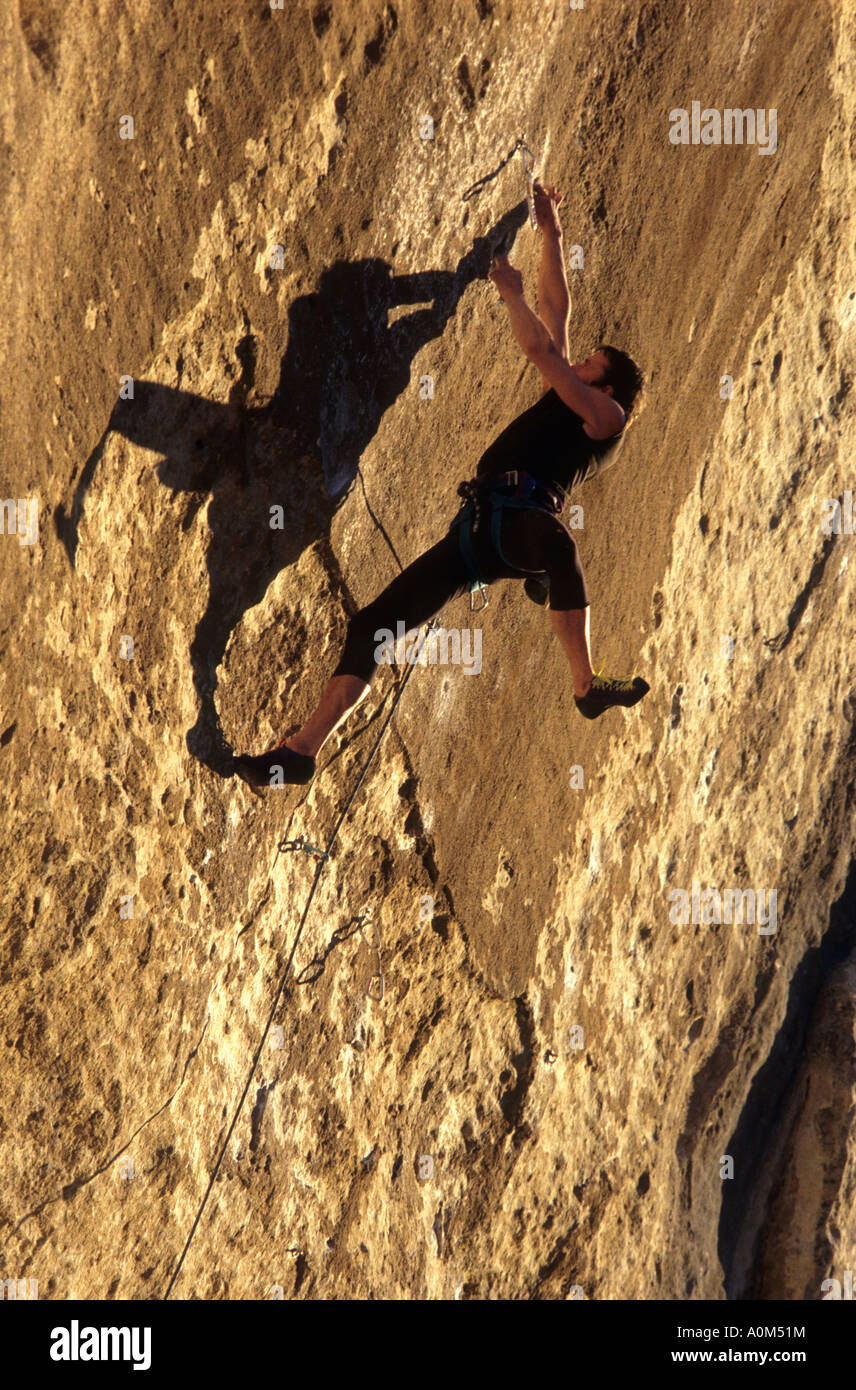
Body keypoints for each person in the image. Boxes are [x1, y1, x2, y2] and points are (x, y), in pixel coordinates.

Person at [233, 181, 648, 790]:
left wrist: (508, 293)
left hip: (524, 523)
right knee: (373, 626)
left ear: (606, 388)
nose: (577, 362)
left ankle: (585, 683)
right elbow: (556, 314)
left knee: (558, 545)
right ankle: (299, 752)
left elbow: (540, 347)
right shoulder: (567, 400)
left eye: (590, 363)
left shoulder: (606, 419)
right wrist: (551, 232)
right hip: (478, 531)